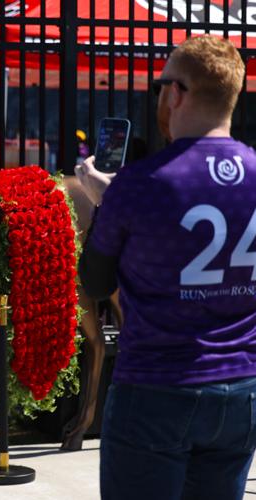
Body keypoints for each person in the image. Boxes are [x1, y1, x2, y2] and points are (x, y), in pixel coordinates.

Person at [75, 35, 256, 500]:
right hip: (241, 385)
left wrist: (105, 201)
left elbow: (94, 281)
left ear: (176, 93)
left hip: (157, 385)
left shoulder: (139, 184)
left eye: (161, 85)